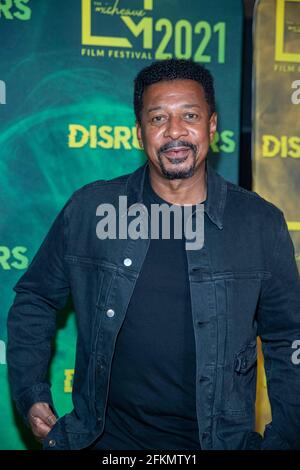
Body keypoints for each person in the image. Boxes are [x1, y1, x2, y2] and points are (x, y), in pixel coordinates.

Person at [7, 59, 300, 451]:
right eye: (158, 118)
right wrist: (30, 390)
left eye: (190, 116)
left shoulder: (259, 223)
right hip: (105, 444)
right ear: (140, 132)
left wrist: (285, 439)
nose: (175, 131)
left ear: (212, 125)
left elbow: (289, 336)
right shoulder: (90, 210)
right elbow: (35, 299)